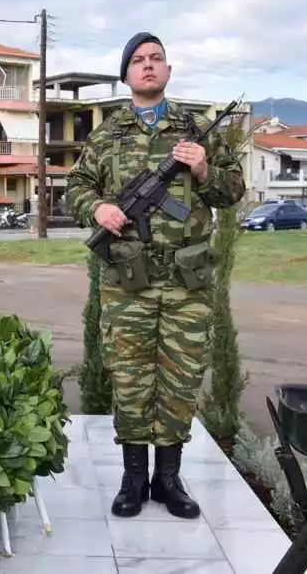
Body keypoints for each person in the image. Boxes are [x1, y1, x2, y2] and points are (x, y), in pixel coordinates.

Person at [64, 32, 245, 520]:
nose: (148, 66)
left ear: (168, 71)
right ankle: (133, 478)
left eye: (156, 59)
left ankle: (169, 478)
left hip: (188, 281)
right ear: (126, 75)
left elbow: (232, 192)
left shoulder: (197, 129)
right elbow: (75, 187)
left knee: (181, 379)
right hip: (128, 280)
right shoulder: (107, 134)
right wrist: (98, 206)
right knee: (129, 378)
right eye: (138, 61)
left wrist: (206, 170)